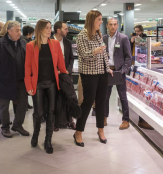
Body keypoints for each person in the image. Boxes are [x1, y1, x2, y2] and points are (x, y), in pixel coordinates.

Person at [25, 19, 67, 154]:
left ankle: (48, 140)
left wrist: (66, 78)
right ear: (40, 29)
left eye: (50, 28)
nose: (50, 30)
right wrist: (28, 84)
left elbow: (61, 64)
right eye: (47, 28)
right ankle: (36, 134)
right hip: (37, 84)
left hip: (52, 84)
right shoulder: (31, 45)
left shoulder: (55, 44)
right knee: (38, 113)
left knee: (51, 112)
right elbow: (28, 67)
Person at [74, 10, 113, 147]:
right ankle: (78, 132)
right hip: (89, 74)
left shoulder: (98, 34)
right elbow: (83, 55)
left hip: (102, 73)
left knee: (101, 102)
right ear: (92, 20)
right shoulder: (82, 36)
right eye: (99, 20)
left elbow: (103, 54)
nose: (101, 22)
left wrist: (107, 68)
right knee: (87, 102)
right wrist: (94, 52)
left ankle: (100, 130)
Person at [0, 21, 30, 138]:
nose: (19, 33)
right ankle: (5, 127)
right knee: (4, 106)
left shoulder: (23, 43)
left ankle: (17, 125)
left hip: (21, 79)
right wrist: (3, 74)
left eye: (20, 30)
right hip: (5, 80)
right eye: (17, 30)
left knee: (23, 103)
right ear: (9, 31)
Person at [103, 18, 131, 130]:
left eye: (115, 24)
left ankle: (126, 120)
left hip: (119, 71)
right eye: (111, 24)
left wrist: (123, 70)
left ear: (118, 25)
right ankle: (104, 117)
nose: (113, 26)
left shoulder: (123, 38)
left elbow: (128, 57)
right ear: (107, 26)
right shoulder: (103, 38)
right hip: (107, 71)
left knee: (123, 96)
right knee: (105, 97)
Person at [52, 21, 76, 130]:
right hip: (53, 76)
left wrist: (67, 70)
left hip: (66, 75)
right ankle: (55, 122)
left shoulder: (67, 42)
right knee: (54, 99)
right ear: (58, 30)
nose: (67, 31)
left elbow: (71, 58)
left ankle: (70, 120)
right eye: (65, 29)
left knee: (69, 98)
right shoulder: (49, 42)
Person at [130, 24, 154, 130]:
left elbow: (148, 49)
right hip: (135, 64)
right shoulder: (132, 37)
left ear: (142, 31)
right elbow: (129, 49)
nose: (137, 33)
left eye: (138, 31)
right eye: (136, 31)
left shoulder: (146, 38)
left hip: (145, 64)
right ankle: (140, 118)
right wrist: (131, 42)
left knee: (143, 91)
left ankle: (143, 119)